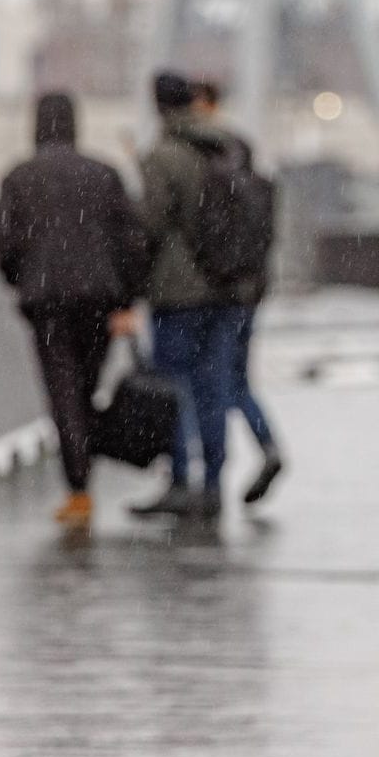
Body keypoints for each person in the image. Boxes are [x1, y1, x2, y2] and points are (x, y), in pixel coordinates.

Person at [0, 93, 149, 530]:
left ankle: (78, 488)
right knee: (87, 384)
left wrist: (19, 279)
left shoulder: (19, 177)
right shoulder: (103, 173)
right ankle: (86, 457)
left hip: (46, 301)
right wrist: (126, 299)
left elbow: (5, 242)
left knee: (62, 389)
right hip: (99, 297)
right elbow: (131, 239)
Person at [128, 71, 244, 520]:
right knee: (214, 387)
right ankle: (214, 484)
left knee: (174, 387)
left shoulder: (165, 155)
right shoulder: (226, 145)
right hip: (226, 286)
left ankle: (180, 479)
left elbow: (149, 226)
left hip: (177, 293)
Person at [190, 79, 285, 505]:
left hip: (224, 294)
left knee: (217, 382)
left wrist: (212, 274)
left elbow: (213, 239)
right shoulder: (258, 184)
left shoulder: (215, 179)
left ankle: (214, 477)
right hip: (252, 291)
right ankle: (267, 446)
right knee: (238, 379)